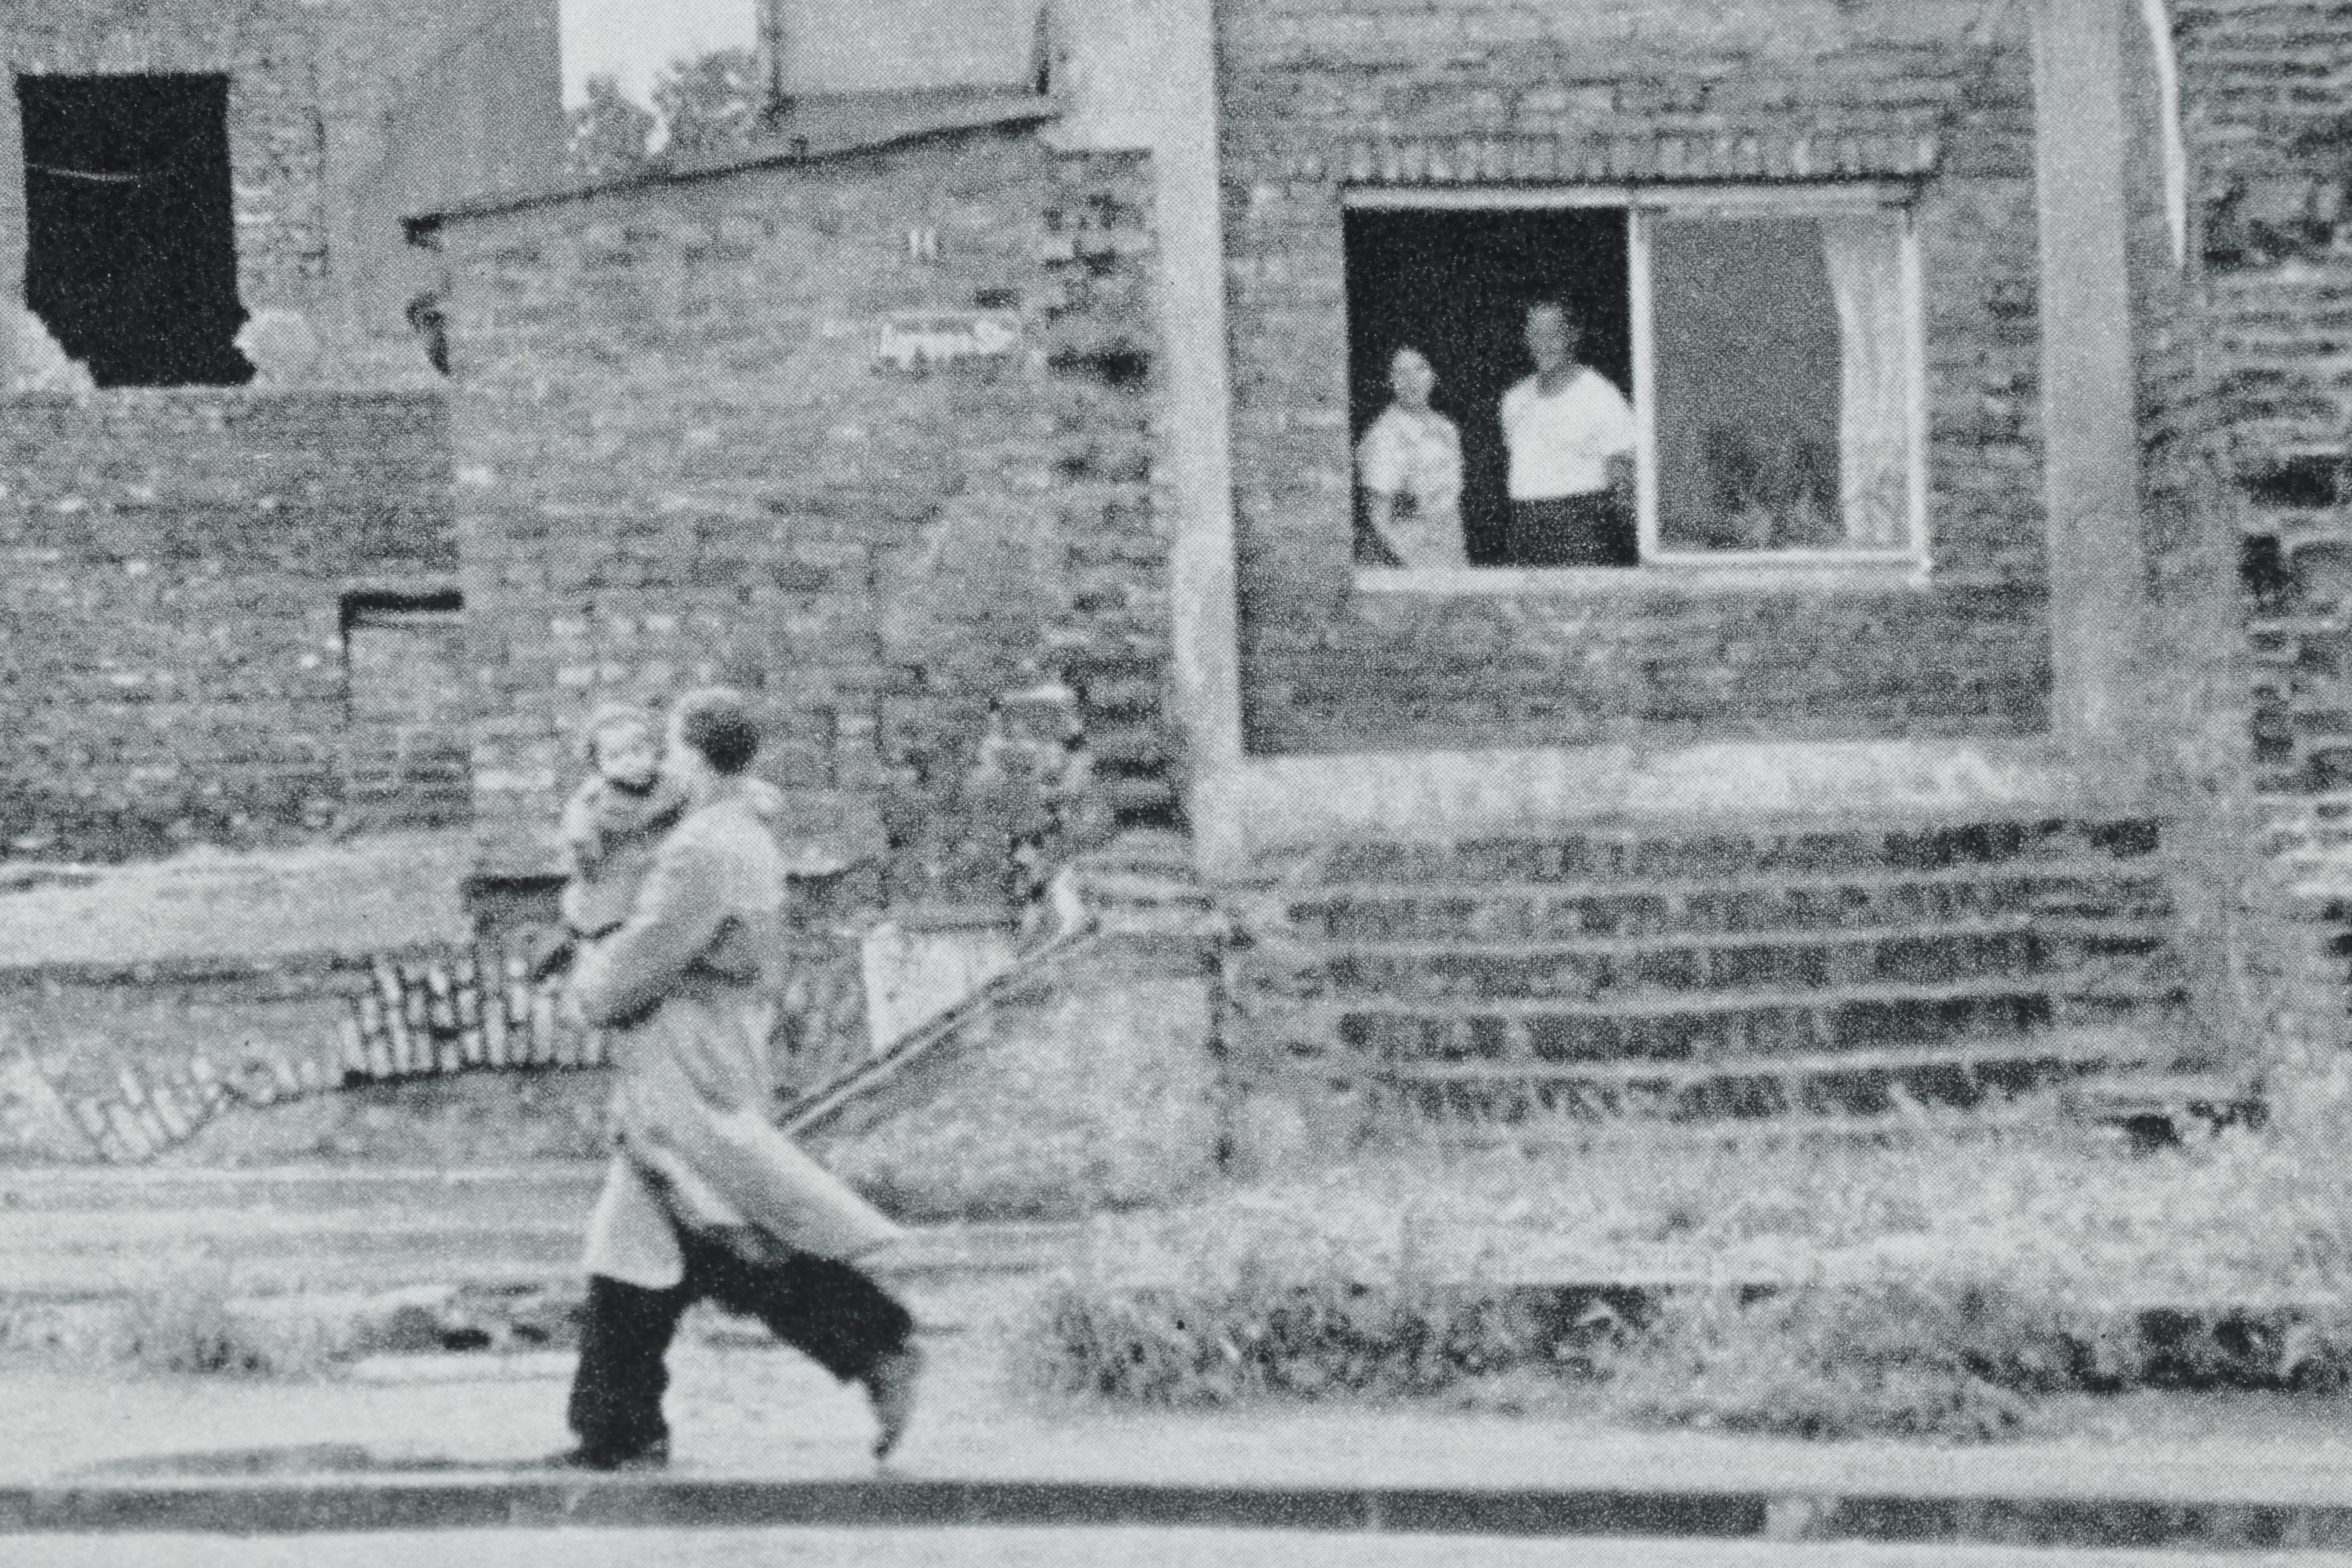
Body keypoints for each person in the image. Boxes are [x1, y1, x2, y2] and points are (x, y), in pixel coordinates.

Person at [553, 688, 922, 1472]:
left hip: (685, 1067)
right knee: (633, 1248)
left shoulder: (701, 849)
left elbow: (635, 966)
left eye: (673, 749)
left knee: (731, 1237)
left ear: (692, 756)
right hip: (701, 1058)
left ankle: (879, 1344)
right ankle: (619, 1430)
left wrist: (586, 978)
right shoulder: (739, 833)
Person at [1499, 298, 1639, 567]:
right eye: (1536, 335)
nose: (1544, 345)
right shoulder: (1514, 399)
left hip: (1582, 524)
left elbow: (1624, 472)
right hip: (1526, 524)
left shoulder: (1599, 394)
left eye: (1554, 336)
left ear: (1573, 335)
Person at [1355, 345, 1466, 567]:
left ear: (1433, 374)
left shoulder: (1446, 430)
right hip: (1407, 561)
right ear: (1390, 380)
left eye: (1420, 369)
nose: (1411, 380)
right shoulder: (1384, 435)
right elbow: (1379, 520)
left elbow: (1450, 507)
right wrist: (1416, 569)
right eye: (1401, 372)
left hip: (1450, 553)